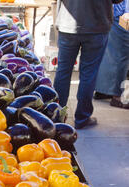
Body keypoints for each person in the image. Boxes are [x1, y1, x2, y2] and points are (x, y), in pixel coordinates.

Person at [53, 0, 124, 129]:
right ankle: (82, 118)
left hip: (68, 24)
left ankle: (57, 115)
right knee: (89, 74)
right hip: (96, 25)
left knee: (63, 71)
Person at [94, 0, 129, 109]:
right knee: (120, 55)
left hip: (110, 11)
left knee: (108, 53)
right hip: (121, 14)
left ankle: (102, 90)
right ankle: (116, 96)